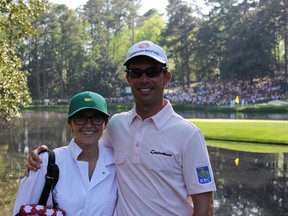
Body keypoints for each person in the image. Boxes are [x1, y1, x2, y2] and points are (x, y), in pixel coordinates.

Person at [27, 40, 216, 215]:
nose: (144, 79)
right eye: (136, 72)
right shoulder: (117, 125)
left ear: (165, 77)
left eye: (152, 71)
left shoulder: (188, 134)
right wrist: (44, 157)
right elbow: (85, 142)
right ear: (128, 77)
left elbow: (205, 202)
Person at [14, 91, 117, 216]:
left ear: (105, 123)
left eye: (96, 118)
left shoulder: (117, 164)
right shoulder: (46, 163)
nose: (88, 125)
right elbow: (21, 211)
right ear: (70, 123)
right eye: (80, 118)